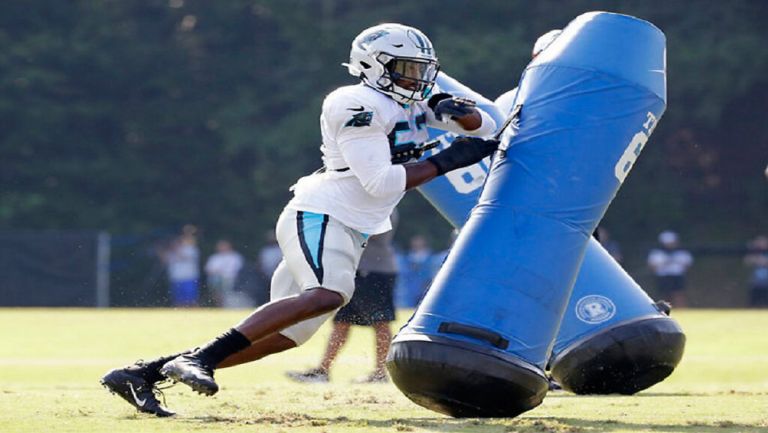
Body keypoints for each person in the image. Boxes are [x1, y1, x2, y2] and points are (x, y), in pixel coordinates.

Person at [101, 22, 499, 417]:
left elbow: (492, 125)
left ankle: (143, 374)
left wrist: (461, 118)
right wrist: (448, 159)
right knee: (329, 294)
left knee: (287, 336)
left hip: (353, 226)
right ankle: (200, 359)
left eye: (420, 69)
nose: (417, 79)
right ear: (374, 65)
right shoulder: (354, 103)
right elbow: (381, 182)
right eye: (406, 69)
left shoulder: (410, 102)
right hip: (322, 213)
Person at [286, 210, 399, 383]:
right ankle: (322, 371)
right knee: (342, 321)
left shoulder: (384, 206)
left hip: (374, 271)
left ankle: (380, 373)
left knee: (380, 321)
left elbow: (373, 233)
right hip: (355, 270)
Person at [647, 230, 694, 308]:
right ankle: (663, 310)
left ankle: (681, 310)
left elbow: (687, 265)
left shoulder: (682, 253)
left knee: (678, 294)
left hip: (677, 276)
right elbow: (652, 266)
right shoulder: (657, 253)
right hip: (663, 276)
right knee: (664, 295)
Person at [160, 224, 200, 307]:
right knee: (178, 300)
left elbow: (184, 257)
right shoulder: (172, 252)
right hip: (176, 278)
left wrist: (176, 249)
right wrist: (160, 251)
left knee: (191, 300)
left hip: (189, 277)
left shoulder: (191, 249)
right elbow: (165, 260)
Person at [396, 234, 438, 308]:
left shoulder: (432, 257)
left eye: (419, 240)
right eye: (415, 240)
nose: (417, 243)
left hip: (425, 287)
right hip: (410, 291)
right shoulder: (406, 257)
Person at [204, 239, 247, 308]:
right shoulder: (214, 257)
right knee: (217, 291)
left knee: (226, 293)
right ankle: (219, 306)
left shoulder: (235, 257)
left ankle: (226, 306)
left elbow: (238, 269)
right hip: (216, 279)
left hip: (230, 279)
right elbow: (209, 270)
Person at [744, 235, 768, 307]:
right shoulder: (755, 253)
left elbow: (764, 262)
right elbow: (747, 261)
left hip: (766, 284)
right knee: (753, 304)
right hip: (756, 284)